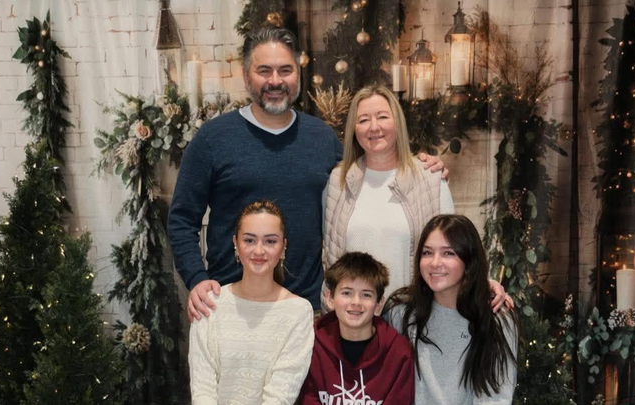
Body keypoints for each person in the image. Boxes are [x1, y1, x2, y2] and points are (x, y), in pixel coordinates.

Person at [168, 27, 445, 321]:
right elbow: (182, 218)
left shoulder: (322, 138)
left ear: (298, 74)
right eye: (264, 71)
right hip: (230, 306)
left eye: (285, 70)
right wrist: (196, 278)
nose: (276, 81)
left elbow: (371, 176)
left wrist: (420, 165)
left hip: (307, 311)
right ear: (246, 76)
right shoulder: (213, 138)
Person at [323, 84, 509, 312]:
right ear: (354, 128)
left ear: (398, 123)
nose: (374, 127)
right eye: (363, 120)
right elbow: (330, 259)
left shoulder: (430, 178)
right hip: (353, 322)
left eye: (382, 117)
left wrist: (483, 283)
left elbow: (454, 248)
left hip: (412, 319)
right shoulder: (338, 181)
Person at [382, 215, 518, 405]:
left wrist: (482, 285)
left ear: (469, 260)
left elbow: (497, 397)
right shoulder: (401, 312)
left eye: (448, 253)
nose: (435, 262)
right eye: (427, 253)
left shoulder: (496, 318)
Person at [188, 200, 314, 405]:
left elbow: (280, 396)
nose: (259, 251)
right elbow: (202, 389)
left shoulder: (298, 312)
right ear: (235, 244)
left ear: (283, 247)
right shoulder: (209, 304)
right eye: (249, 240)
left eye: (270, 241)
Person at [300, 252, 414, 405]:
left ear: (379, 303)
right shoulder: (312, 346)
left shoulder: (399, 353)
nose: (356, 302)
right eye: (347, 293)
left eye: (366, 295)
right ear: (330, 298)